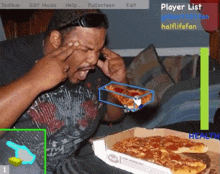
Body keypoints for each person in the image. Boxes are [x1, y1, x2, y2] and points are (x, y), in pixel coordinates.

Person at [0, 9, 128, 173]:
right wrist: (34, 81)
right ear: (56, 39)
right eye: (85, 49)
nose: (93, 60)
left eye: (98, 50)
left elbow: (113, 115)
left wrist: (119, 82)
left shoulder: (93, 69)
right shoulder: (7, 57)